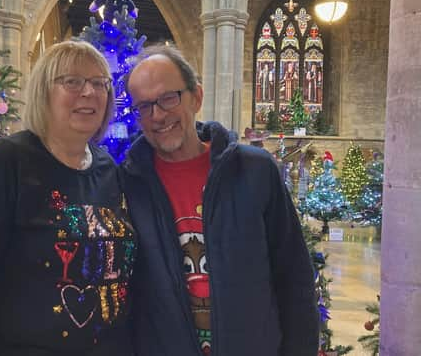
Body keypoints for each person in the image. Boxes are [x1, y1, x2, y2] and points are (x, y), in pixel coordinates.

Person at [0, 40, 137, 356]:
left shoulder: (108, 168)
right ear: (44, 92)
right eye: (72, 81)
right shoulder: (6, 163)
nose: (89, 92)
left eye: (100, 83)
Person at [121, 45, 318, 356]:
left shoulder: (255, 171)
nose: (157, 116)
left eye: (168, 98)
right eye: (144, 106)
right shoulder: (129, 186)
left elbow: (293, 276)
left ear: (196, 97)